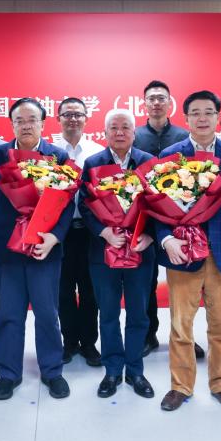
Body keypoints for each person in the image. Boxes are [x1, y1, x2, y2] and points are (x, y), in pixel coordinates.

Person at [156, 90, 221, 413]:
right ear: (185, 118)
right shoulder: (170, 155)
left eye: (208, 112)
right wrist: (166, 239)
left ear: (217, 117)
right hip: (183, 252)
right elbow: (157, 205)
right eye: (195, 113)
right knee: (180, 325)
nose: (202, 118)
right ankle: (180, 386)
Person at [0, 97, 75, 401]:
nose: (25, 125)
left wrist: (55, 238)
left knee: (47, 313)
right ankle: (8, 373)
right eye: (19, 121)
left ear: (43, 124)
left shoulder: (58, 157)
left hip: (44, 250)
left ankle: (52, 371)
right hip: (7, 250)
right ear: (11, 125)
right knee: (8, 313)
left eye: (31, 120)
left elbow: (67, 204)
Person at [79, 108, 156, 399]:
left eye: (125, 127)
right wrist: (104, 232)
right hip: (104, 252)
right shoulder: (93, 163)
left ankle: (135, 370)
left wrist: (149, 235)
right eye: (114, 127)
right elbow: (85, 205)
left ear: (134, 133)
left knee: (138, 314)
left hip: (140, 250)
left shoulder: (148, 162)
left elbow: (161, 204)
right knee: (108, 313)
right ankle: (112, 370)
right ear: (105, 132)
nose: (120, 132)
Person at [131, 79, 192, 358]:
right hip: (143, 219)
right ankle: (148, 335)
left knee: (183, 284)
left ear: (170, 103)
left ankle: (184, 337)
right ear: (144, 103)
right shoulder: (135, 136)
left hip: (178, 220)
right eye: (151, 98)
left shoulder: (183, 136)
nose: (156, 103)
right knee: (147, 282)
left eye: (161, 98)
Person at [56, 96, 104, 367]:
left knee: (90, 290)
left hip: (91, 231)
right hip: (58, 233)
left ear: (86, 119)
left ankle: (88, 343)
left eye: (78, 115)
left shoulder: (97, 153)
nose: (73, 119)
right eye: (67, 114)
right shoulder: (50, 153)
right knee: (62, 290)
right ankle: (68, 342)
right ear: (58, 119)